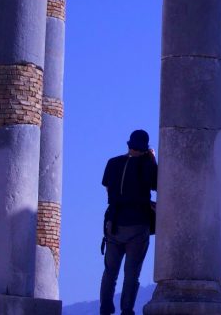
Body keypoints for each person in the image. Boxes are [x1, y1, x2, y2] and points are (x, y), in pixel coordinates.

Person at [99, 130, 158, 315]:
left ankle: (105, 309)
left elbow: (110, 191)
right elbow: (158, 185)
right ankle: (126, 310)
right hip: (137, 225)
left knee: (110, 273)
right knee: (132, 274)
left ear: (128, 144)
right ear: (145, 148)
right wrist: (151, 160)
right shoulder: (147, 164)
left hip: (114, 225)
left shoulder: (113, 163)